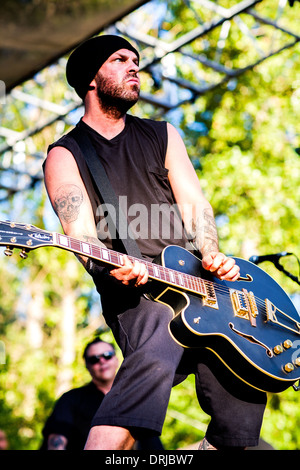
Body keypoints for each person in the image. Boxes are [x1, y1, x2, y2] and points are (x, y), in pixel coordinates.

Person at [43, 34, 267, 450]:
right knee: (157, 349)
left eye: (137, 60)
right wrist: (112, 266)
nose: (134, 67)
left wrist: (213, 255)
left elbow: (195, 204)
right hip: (138, 292)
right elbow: (80, 235)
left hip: (203, 284)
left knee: (242, 402)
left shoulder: (163, 135)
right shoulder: (67, 153)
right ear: (92, 79)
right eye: (120, 59)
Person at [41, 337, 164, 450]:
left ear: (116, 360)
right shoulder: (70, 399)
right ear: (87, 366)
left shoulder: (135, 400)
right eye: (94, 359)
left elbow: (152, 445)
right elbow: (57, 441)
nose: (102, 361)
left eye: (107, 355)